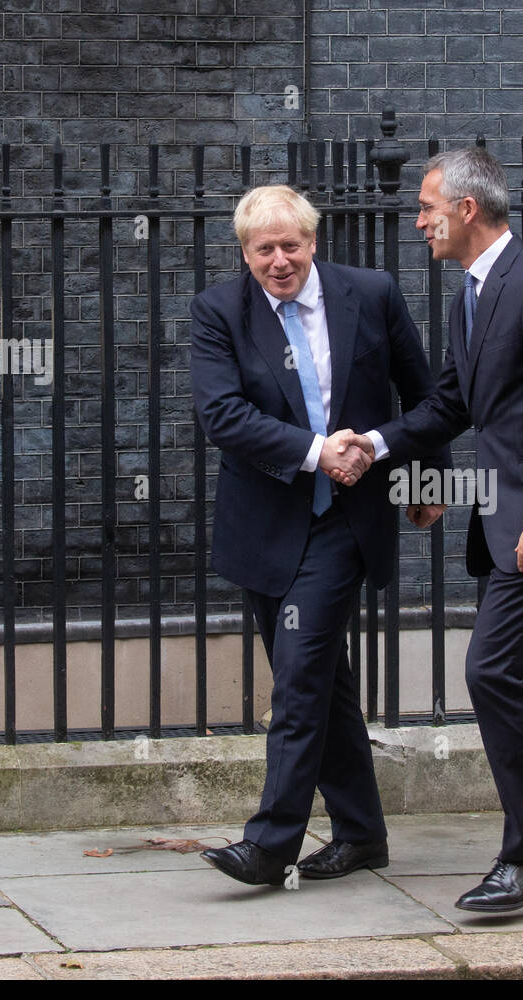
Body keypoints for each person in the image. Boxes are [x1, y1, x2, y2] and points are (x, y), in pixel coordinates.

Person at [333, 147, 523, 913]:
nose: (419, 220)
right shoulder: (469, 295)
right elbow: (452, 404)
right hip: (510, 523)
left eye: (427, 207)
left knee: (492, 671)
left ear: (465, 209)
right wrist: (380, 444)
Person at [190, 185, 446, 887]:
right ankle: (362, 835)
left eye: (291, 246)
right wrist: (315, 451)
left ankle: (270, 844)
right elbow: (223, 416)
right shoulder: (220, 312)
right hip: (267, 526)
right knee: (324, 684)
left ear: (313, 241)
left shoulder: (372, 293)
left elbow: (422, 393)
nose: (280, 261)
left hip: (346, 522)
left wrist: (425, 484)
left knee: (299, 680)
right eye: (264, 249)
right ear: (245, 253)